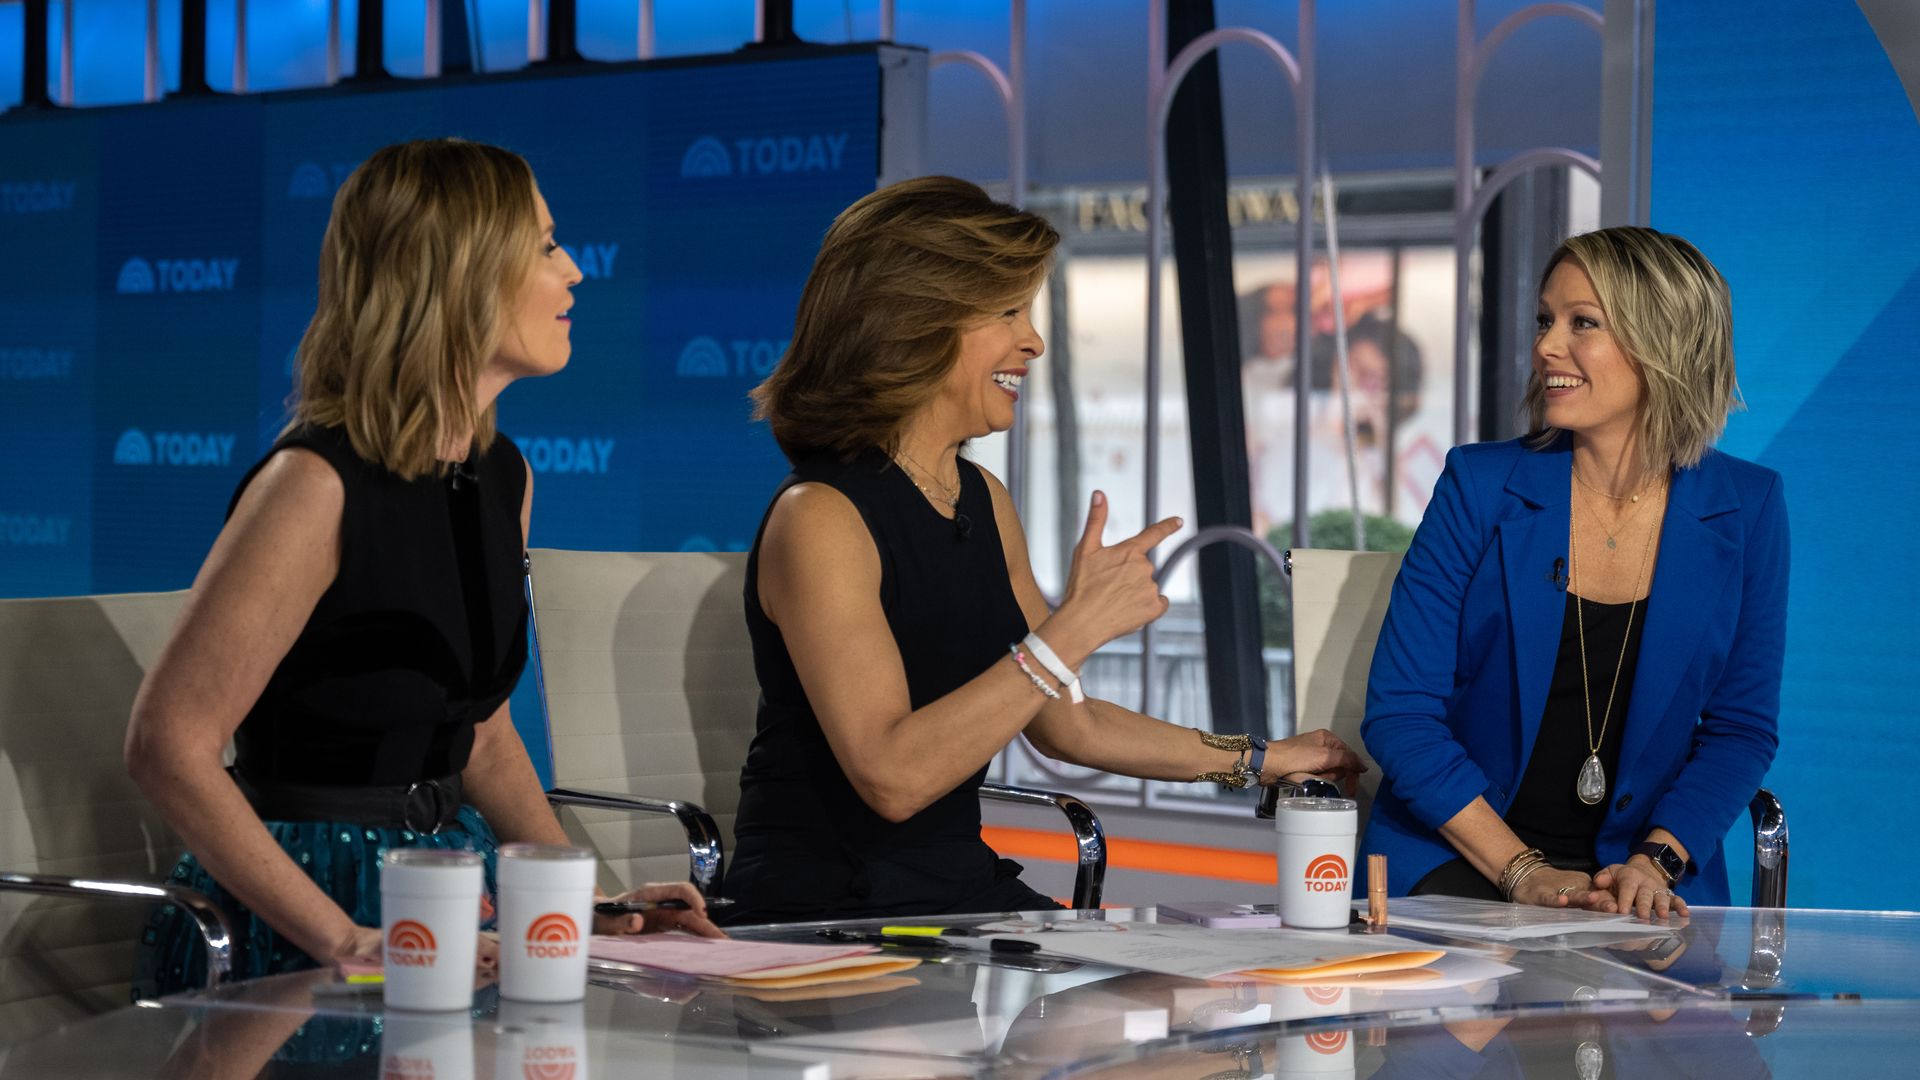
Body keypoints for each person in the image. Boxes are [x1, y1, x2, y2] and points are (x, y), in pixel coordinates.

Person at [126, 139, 718, 996]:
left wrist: (584, 901)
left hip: (452, 889)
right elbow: (166, 745)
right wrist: (345, 938)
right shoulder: (313, 485)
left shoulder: (501, 474)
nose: (577, 271)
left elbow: (479, 731)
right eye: (547, 245)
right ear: (462, 274)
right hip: (309, 906)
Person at [723, 176, 1364, 924]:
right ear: (912, 321)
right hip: (826, 914)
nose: (1033, 341)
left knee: (1196, 1009)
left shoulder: (982, 498)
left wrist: (1264, 759)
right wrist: (1074, 628)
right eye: (1006, 311)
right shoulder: (819, 517)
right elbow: (892, 775)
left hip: (956, 896)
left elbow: (1069, 724)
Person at [1360, 227, 1788, 917]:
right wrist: (1522, 871)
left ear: (1663, 343)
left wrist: (1657, 861)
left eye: (1581, 323)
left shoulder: (1749, 507)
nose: (1545, 347)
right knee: (1501, 1000)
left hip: (1641, 881)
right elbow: (1401, 716)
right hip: (1465, 860)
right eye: (1544, 321)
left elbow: (1741, 728)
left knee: (1660, 1010)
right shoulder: (1479, 486)